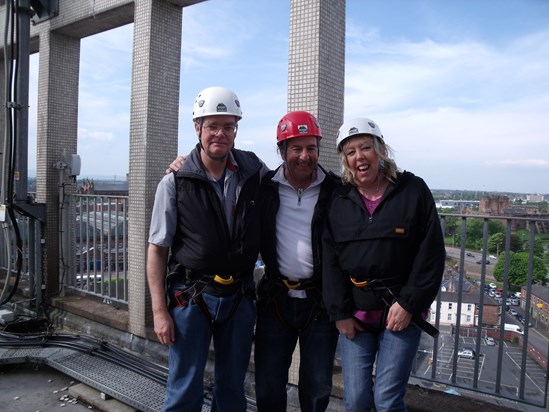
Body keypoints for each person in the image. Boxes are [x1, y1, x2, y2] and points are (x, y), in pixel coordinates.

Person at [147, 86, 266, 412]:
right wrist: (159, 312)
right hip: (191, 296)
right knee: (185, 386)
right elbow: (157, 249)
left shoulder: (253, 171)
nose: (220, 134)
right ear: (197, 128)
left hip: (238, 296)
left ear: (236, 130)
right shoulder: (175, 182)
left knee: (232, 388)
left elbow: (294, 179)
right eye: (212, 126)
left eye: (228, 126)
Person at [322, 118, 445, 412]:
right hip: (357, 314)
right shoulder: (338, 198)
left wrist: (409, 304)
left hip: (400, 311)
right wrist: (340, 313)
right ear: (345, 161)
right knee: (356, 400)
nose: (359, 156)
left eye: (366, 147)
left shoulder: (412, 190)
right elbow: (330, 260)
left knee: (388, 401)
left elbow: (430, 253)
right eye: (350, 152)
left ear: (380, 151)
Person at [254, 111, 340, 412]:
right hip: (276, 299)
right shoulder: (264, 187)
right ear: (281, 151)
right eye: (296, 148)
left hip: (319, 302)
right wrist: (184, 161)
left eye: (311, 148)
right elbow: (227, 164)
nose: (305, 156)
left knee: (317, 387)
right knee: (267, 384)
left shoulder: (336, 190)